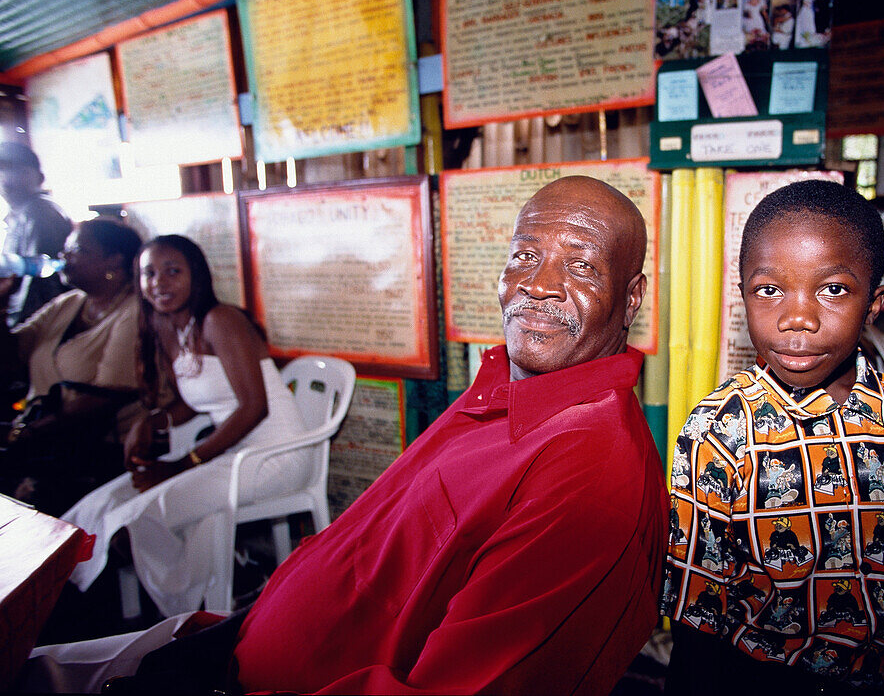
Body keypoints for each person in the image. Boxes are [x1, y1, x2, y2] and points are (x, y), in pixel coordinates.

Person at [21, 176, 668, 696]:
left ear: (631, 296)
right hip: (240, 644)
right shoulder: (502, 388)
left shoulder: (591, 467)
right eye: (525, 255)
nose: (539, 283)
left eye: (581, 267)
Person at [662, 180, 884, 694]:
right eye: (769, 290)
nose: (798, 319)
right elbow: (697, 625)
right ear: (742, 297)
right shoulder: (719, 431)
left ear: (873, 303)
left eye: (832, 289)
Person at [61, 234, 308, 618]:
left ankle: (219, 592)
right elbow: (193, 404)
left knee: (139, 519)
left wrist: (185, 463)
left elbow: (254, 407)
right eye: (149, 273)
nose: (160, 282)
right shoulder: (167, 325)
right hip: (230, 453)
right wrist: (152, 421)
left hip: (273, 457)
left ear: (197, 276)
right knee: (98, 507)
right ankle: (232, 576)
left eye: (173, 271)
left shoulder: (220, 320)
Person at [0, 216, 142, 516]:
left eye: (76, 250)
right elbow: (11, 357)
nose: (64, 258)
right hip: (40, 439)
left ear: (113, 261)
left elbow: (103, 398)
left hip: (93, 448)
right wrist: (2, 304)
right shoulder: (67, 304)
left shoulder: (133, 312)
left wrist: (26, 434)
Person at [0, 141, 72, 327]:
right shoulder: (17, 215)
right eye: (2, 170)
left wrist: (18, 328)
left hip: (41, 323)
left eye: (18, 171)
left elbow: (38, 281)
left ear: (39, 178)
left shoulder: (38, 213)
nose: (7, 179)